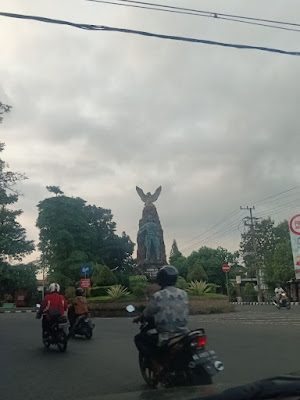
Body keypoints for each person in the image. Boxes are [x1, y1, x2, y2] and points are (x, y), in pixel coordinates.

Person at [134, 265, 189, 372]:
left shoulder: (157, 296)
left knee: (140, 339)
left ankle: (157, 366)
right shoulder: (184, 294)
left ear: (160, 279)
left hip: (167, 335)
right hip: (184, 333)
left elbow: (147, 313)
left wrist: (140, 318)